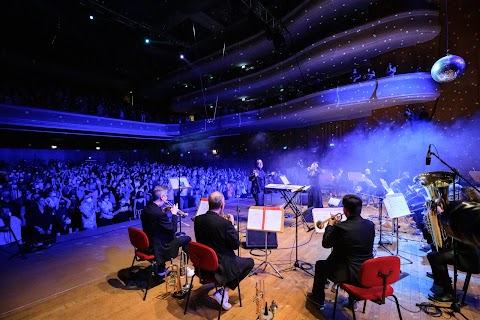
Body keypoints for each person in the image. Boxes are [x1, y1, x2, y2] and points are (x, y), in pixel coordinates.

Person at [307, 194, 375, 309]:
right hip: (365, 271)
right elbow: (354, 239)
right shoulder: (370, 225)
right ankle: (352, 301)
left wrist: (330, 226)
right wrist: (339, 227)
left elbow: (326, 244)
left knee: (320, 265)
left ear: (345, 210)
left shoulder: (341, 228)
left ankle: (318, 299)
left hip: (347, 273)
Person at [194, 191, 254, 310]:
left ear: (208, 204)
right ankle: (223, 291)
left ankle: (223, 293)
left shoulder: (198, 219)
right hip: (220, 266)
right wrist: (232, 225)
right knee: (250, 262)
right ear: (222, 205)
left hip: (202, 264)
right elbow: (235, 245)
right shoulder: (225, 224)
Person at [427, 188, 480, 302]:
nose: (458, 200)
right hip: (469, 253)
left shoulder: (468, 216)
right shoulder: (475, 213)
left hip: (470, 258)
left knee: (435, 257)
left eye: (460, 198)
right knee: (438, 251)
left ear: (466, 200)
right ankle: (443, 281)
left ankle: (447, 291)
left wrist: (442, 214)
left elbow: (456, 229)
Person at [141, 185, 191, 277]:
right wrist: (174, 214)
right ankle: (184, 269)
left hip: (149, 241)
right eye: (166, 196)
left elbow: (156, 223)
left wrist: (164, 212)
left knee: (161, 234)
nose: (167, 198)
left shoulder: (147, 208)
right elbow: (173, 229)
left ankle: (161, 270)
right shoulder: (160, 214)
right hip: (160, 246)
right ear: (162, 197)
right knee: (187, 239)